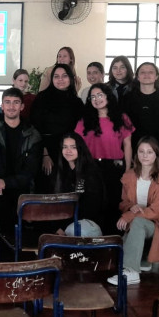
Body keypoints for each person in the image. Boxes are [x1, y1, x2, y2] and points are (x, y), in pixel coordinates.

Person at [0, 88, 42, 237]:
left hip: (20, 187)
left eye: (16, 102)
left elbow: (30, 171)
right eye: (7, 102)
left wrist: (5, 183)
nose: (11, 106)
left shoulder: (33, 134)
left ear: (22, 106)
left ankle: (14, 247)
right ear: (2, 106)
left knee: (15, 225)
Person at [108, 137, 159, 286]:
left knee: (137, 222)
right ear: (136, 154)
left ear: (156, 155)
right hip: (136, 224)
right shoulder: (129, 176)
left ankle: (131, 272)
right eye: (141, 151)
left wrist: (130, 214)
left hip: (157, 225)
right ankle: (128, 265)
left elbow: (157, 210)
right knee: (130, 228)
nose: (145, 155)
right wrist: (131, 206)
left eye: (149, 152)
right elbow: (123, 202)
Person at [75, 83, 135, 234]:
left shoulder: (121, 117)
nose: (96, 99)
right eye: (93, 97)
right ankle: (93, 239)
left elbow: (127, 145)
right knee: (93, 204)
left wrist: (128, 169)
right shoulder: (85, 119)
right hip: (91, 167)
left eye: (100, 95)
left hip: (115, 167)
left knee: (113, 204)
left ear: (108, 96)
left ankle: (112, 240)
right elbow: (77, 145)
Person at [31, 64, 84, 190]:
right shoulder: (42, 98)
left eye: (64, 76)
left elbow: (80, 131)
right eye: (56, 76)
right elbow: (35, 127)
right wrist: (45, 155)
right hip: (46, 149)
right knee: (47, 187)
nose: (60, 79)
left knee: (67, 188)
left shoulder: (76, 102)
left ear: (70, 78)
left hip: (68, 151)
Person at [122, 62, 159, 163]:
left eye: (150, 72)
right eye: (143, 72)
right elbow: (124, 128)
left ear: (156, 76)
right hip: (135, 150)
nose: (146, 75)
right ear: (137, 77)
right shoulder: (128, 98)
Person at [52, 132, 105, 237]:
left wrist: (63, 227)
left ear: (80, 149)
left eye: (73, 147)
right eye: (65, 147)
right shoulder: (60, 172)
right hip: (65, 223)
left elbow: (91, 207)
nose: (68, 151)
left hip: (88, 223)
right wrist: (58, 227)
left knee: (74, 231)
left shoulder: (90, 172)